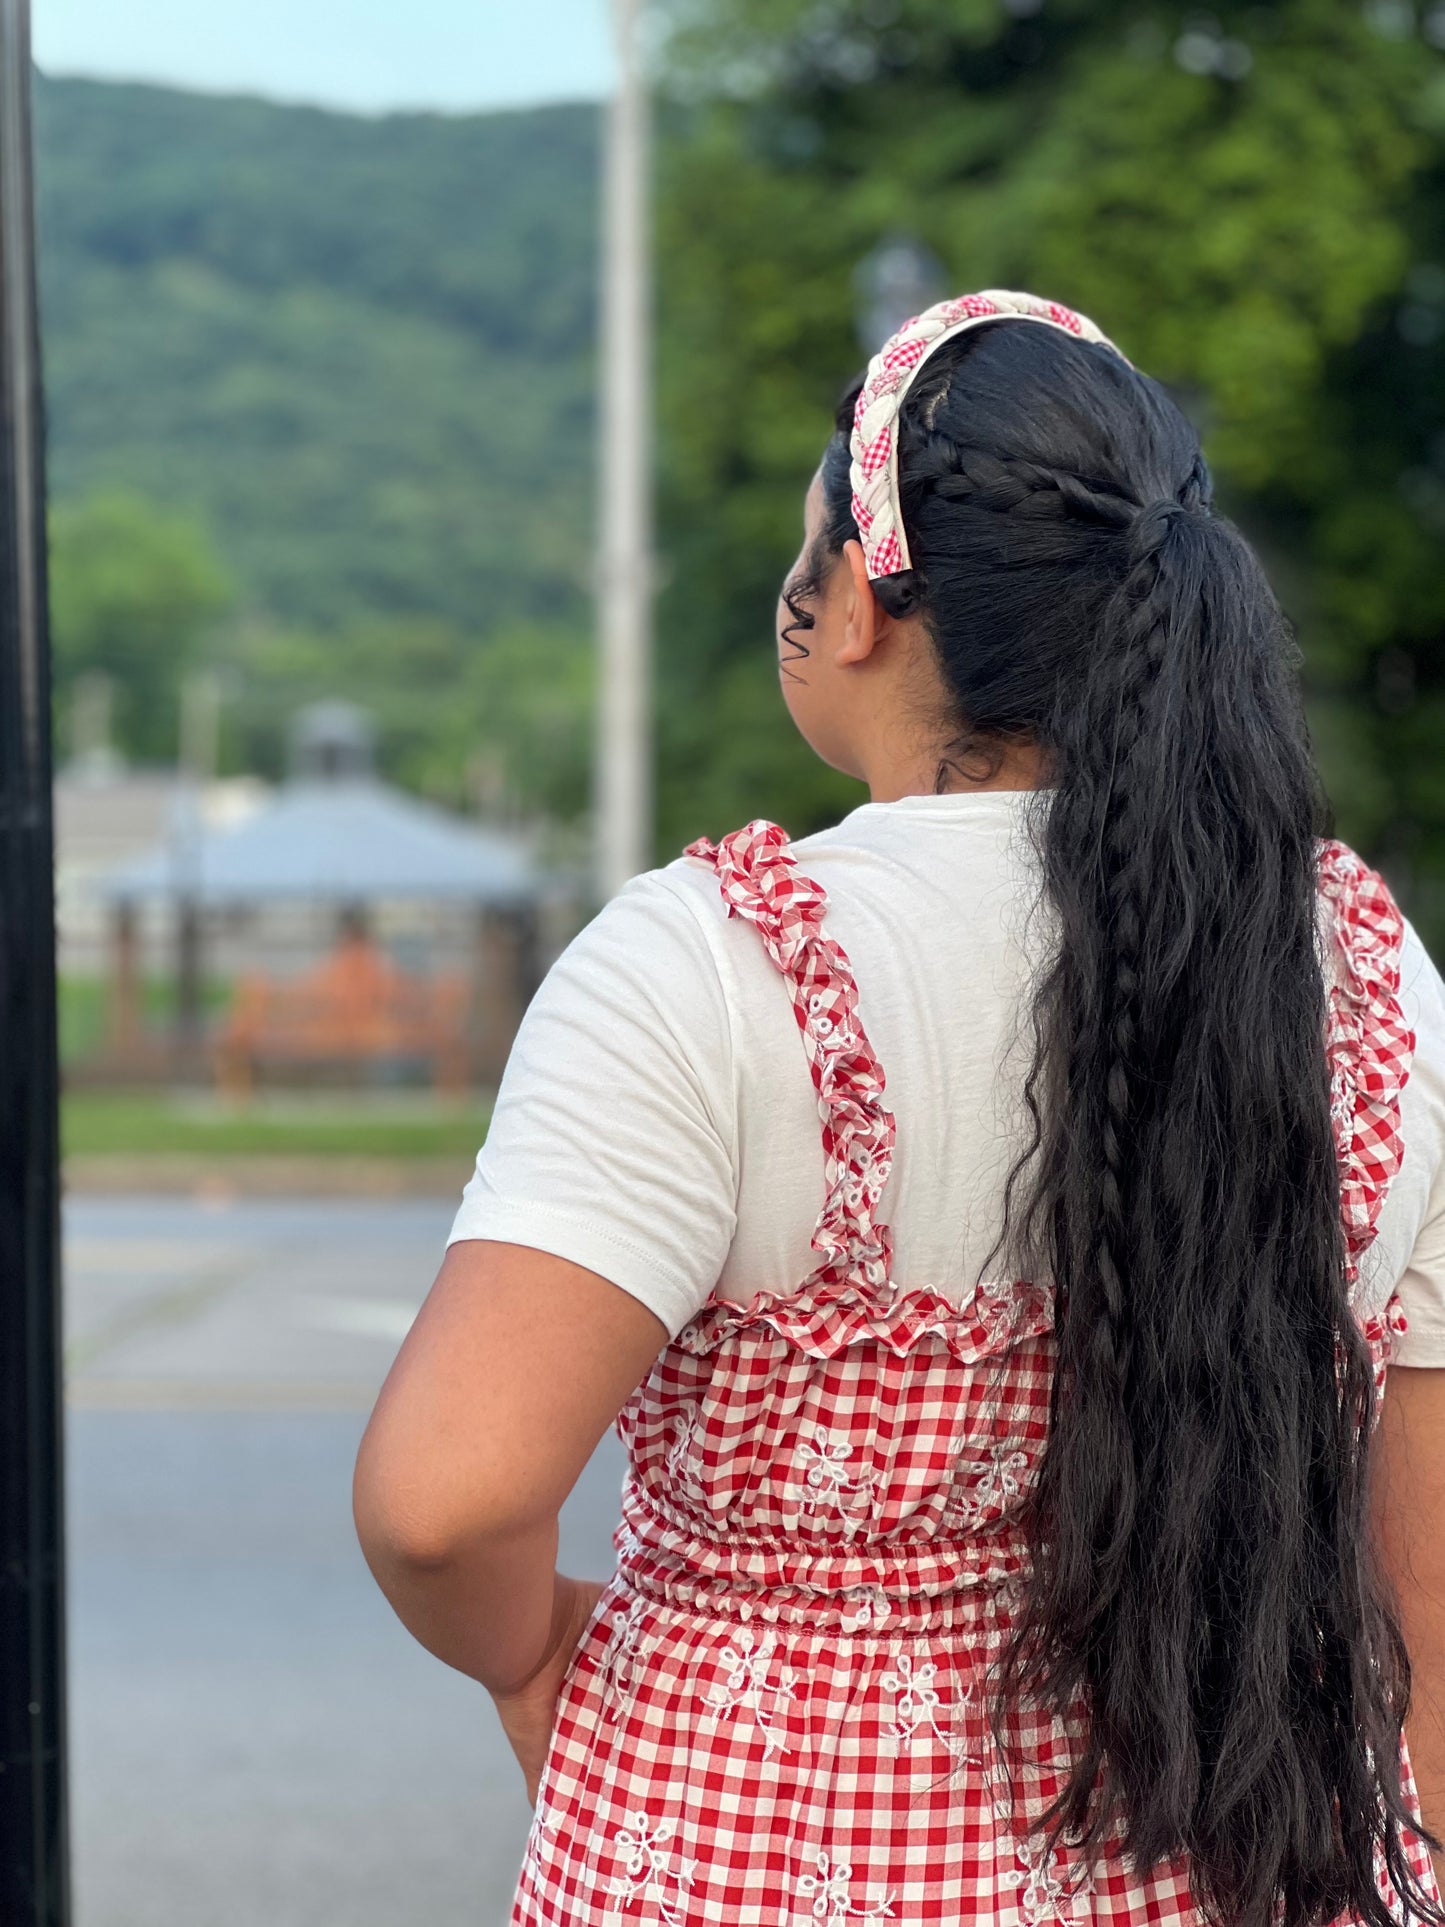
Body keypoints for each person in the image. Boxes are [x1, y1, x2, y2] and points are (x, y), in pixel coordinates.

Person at [353, 290, 1445, 1927]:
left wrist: (531, 1661)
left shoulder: (709, 967)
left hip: (747, 1841)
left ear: (859, 605)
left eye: (806, 556)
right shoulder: (1354, 958)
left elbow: (446, 1501)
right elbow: (1420, 1539)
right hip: (1232, 1834)